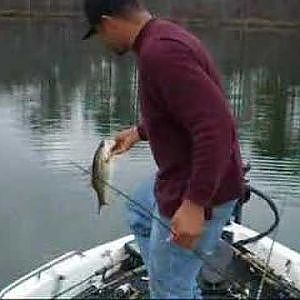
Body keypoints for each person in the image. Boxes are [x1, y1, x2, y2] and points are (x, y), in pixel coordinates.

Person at [83, 0, 244, 298]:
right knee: (140, 211)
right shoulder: (163, 38)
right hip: (184, 181)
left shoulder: (161, 53)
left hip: (200, 190)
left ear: (107, 22)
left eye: (98, 33)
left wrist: (195, 203)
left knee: (169, 288)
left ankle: (173, 282)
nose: (103, 43)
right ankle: (174, 273)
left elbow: (216, 127)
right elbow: (183, 109)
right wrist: (140, 132)